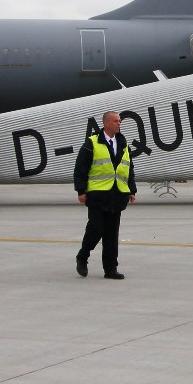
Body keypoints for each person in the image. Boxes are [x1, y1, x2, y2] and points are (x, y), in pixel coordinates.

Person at [74, 111, 137, 279]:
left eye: (120, 121)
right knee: (95, 229)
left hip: (117, 195)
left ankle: (110, 269)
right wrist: (81, 191)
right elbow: (81, 168)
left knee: (111, 233)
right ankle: (83, 256)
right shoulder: (92, 143)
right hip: (97, 195)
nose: (119, 123)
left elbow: (128, 168)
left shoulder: (123, 143)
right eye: (116, 121)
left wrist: (131, 189)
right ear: (106, 123)